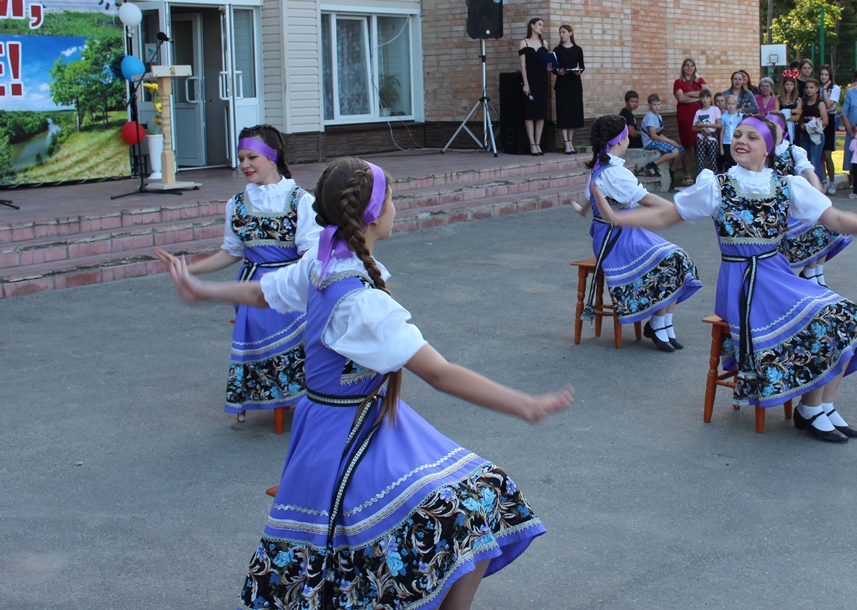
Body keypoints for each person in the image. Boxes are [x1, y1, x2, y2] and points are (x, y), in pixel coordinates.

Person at [157, 157, 574, 610]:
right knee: (473, 503)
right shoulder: (356, 300)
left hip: (351, 423)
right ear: (373, 214)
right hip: (343, 439)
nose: (397, 208)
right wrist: (524, 404)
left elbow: (263, 291)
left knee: (474, 500)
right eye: (393, 199)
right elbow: (439, 373)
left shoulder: (325, 263)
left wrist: (204, 291)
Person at [592, 115, 857, 443]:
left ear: (768, 148)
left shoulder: (787, 184)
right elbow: (666, 215)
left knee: (848, 315)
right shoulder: (716, 185)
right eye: (738, 135)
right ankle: (812, 410)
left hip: (775, 274)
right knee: (828, 316)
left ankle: (821, 407)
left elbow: (833, 218)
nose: (741, 141)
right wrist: (619, 217)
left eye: (752, 136)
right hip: (742, 283)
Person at [183, 125, 320, 424]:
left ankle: (299, 391)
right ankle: (277, 391)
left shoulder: (301, 200)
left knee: (284, 311)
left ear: (272, 158)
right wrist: (189, 269)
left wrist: (292, 283)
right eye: (241, 158)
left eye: (251, 157)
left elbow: (312, 253)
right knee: (257, 310)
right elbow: (231, 251)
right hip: (252, 282)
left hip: (291, 281)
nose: (244, 164)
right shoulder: (237, 204)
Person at [575, 116, 703, 351]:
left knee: (677, 257)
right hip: (615, 238)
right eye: (626, 136)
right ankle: (658, 323)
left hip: (624, 231)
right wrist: (678, 210)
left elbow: (588, 198)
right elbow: (644, 198)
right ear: (620, 141)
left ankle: (663, 322)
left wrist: (581, 208)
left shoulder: (603, 167)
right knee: (672, 258)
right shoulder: (614, 172)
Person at [768, 114, 851, 286]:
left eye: (774, 127)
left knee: (823, 225)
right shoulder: (763, 151)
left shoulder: (792, 150)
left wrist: (817, 194)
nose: (770, 131)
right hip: (773, 205)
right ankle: (810, 273)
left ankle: (814, 272)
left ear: (782, 129)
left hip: (793, 200)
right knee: (809, 228)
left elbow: (807, 171)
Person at [518, 17, 550, 155]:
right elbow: (523, 66)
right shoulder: (524, 42)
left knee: (541, 114)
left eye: (543, 25)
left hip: (542, 80)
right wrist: (526, 83)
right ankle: (531, 144)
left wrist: (549, 67)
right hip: (530, 80)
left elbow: (546, 63)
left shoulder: (545, 43)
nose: (542, 27)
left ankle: (538, 143)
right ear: (532, 25)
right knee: (530, 113)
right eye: (539, 24)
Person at [673, 58, 707, 183]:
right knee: (687, 145)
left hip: (699, 115)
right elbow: (681, 99)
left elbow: (707, 92)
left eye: (692, 65)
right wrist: (698, 97)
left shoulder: (700, 80)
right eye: (686, 65)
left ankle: (700, 175)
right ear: (683, 68)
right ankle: (687, 176)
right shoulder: (678, 82)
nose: (689, 67)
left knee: (700, 145)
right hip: (685, 117)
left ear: (695, 68)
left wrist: (689, 94)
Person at [553, 24, 585, 154]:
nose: (562, 34)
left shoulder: (578, 49)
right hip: (562, 82)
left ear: (570, 33)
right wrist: (558, 72)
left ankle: (570, 141)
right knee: (563, 112)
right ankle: (565, 143)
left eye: (564, 32)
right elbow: (554, 68)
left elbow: (582, 66)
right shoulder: (557, 50)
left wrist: (579, 72)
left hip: (574, 82)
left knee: (572, 112)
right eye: (560, 32)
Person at [640, 93, 683, 179]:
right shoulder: (649, 117)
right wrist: (669, 141)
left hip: (656, 141)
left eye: (658, 104)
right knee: (675, 151)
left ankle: (672, 171)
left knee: (680, 149)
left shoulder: (658, 117)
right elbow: (653, 136)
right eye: (654, 105)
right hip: (650, 143)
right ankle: (652, 165)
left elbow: (659, 134)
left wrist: (672, 141)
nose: (657, 107)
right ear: (649, 105)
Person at [798, 78, 828, 184]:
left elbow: (825, 121)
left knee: (815, 161)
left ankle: (818, 185)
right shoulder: (803, 101)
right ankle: (808, 185)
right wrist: (802, 125)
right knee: (806, 161)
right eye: (807, 88)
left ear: (817, 89)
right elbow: (800, 116)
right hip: (805, 135)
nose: (809, 90)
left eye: (811, 87)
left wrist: (810, 125)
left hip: (816, 135)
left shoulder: (820, 103)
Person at [818, 64, 840, 193]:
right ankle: (824, 182)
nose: (824, 77)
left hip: (830, 120)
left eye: (826, 74)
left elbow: (829, 104)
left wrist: (825, 89)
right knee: (820, 155)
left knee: (827, 154)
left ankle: (832, 182)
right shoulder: (816, 87)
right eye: (822, 74)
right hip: (819, 120)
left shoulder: (834, 88)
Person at [692, 88, 723, 174]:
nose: (705, 99)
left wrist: (705, 125)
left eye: (707, 97)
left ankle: (714, 179)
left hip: (712, 138)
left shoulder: (715, 110)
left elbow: (718, 125)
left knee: (713, 160)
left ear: (710, 98)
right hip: (700, 138)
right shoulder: (698, 112)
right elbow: (693, 128)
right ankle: (700, 181)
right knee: (700, 161)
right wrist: (702, 128)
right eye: (702, 97)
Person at [720, 93, 743, 170]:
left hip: (737, 142)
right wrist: (721, 148)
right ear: (726, 105)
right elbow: (722, 132)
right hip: (727, 143)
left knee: (736, 162)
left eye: (733, 104)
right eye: (729, 103)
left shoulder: (740, 116)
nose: (730, 106)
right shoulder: (723, 117)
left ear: (736, 105)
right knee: (728, 162)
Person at [777, 74, 801, 141]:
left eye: (791, 84)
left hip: (794, 127)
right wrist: (792, 111)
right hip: (782, 127)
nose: (789, 87)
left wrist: (784, 113)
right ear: (783, 85)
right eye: (787, 84)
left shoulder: (798, 100)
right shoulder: (778, 99)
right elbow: (778, 116)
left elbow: (797, 117)